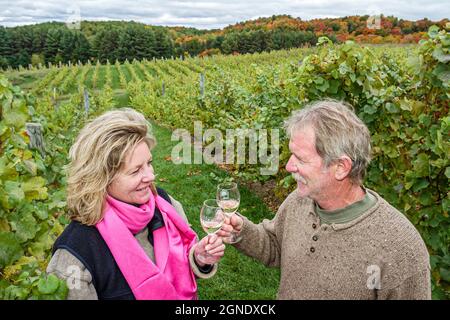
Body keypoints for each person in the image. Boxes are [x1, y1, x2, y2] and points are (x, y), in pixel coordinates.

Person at [219, 100, 431, 300]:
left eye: (300, 158)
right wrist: (241, 231)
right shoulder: (299, 202)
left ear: (340, 167)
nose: (289, 166)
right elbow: (276, 245)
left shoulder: (402, 249)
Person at [47, 108, 225, 300]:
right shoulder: (75, 255)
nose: (150, 176)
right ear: (101, 178)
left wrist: (198, 258)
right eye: (135, 171)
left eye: (149, 163)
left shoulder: (165, 205)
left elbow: (181, 263)